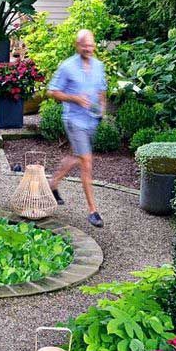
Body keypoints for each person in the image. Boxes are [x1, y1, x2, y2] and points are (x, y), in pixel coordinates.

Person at [46, 29, 106, 228]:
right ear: (77, 45)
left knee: (77, 157)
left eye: (91, 44)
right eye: (84, 45)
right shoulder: (67, 67)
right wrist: (75, 98)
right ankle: (93, 211)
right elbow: (52, 91)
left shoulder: (99, 66)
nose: (88, 48)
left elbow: (102, 91)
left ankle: (52, 184)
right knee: (87, 162)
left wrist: (102, 110)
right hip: (74, 121)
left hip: (92, 121)